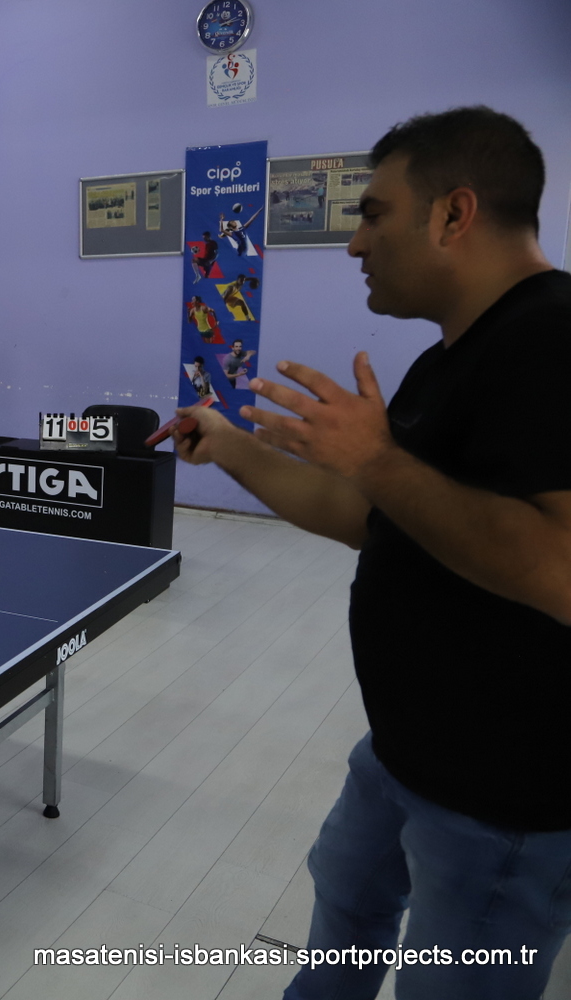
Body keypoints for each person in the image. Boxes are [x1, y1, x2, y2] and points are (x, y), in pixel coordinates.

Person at [174, 107, 571, 999]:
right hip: (404, 754)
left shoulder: (553, 340)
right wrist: (228, 444)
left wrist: (378, 460)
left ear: (453, 214)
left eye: (373, 213)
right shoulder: (450, 359)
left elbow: (563, 571)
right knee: (345, 915)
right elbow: (370, 516)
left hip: (506, 802)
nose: (355, 242)